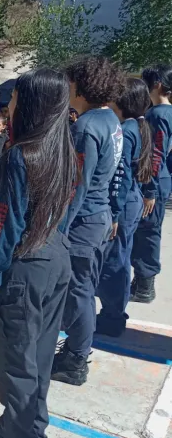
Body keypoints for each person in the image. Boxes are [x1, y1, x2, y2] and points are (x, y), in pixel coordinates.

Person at [0, 68, 76, 438]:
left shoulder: (21, 156)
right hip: (55, 258)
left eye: (14, 98)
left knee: (16, 364)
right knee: (39, 359)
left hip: (26, 267)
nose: (8, 104)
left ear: (29, 104)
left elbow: (5, 225)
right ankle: (23, 432)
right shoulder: (62, 147)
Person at [52, 56, 124, 387]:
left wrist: (59, 228)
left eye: (69, 83)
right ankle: (76, 350)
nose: (66, 89)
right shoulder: (110, 121)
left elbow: (77, 185)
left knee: (77, 291)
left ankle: (76, 359)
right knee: (83, 288)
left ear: (80, 85)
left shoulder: (86, 127)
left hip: (83, 222)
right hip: (99, 216)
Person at [95, 78, 152, 337]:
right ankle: (114, 312)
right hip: (130, 200)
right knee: (119, 257)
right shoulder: (134, 126)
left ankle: (112, 316)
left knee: (116, 262)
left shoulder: (127, 130)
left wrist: (114, 213)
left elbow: (121, 176)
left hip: (123, 202)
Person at [130, 64, 172, 303]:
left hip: (153, 181)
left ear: (156, 85)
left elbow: (155, 154)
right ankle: (142, 281)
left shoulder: (157, 115)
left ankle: (145, 284)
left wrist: (150, 190)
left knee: (147, 234)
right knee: (150, 231)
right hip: (163, 177)